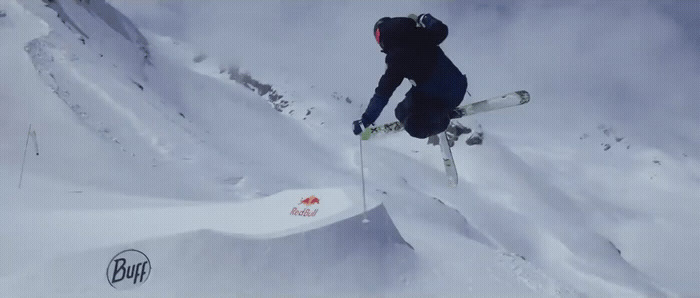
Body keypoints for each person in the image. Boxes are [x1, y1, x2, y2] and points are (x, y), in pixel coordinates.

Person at [353, 14, 468, 139]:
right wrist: (425, 18)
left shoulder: (395, 58)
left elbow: (382, 94)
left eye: (377, 37)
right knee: (406, 104)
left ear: (381, 34)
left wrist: (366, 120)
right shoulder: (420, 33)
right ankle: (437, 113)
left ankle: (439, 118)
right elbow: (441, 30)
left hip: (440, 97)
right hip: (459, 87)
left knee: (404, 115)